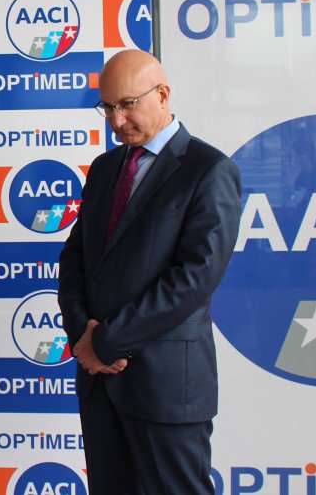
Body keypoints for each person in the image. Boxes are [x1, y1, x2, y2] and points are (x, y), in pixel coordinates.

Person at [57, 49, 241, 494]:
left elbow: (195, 277)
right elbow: (77, 259)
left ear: (162, 95)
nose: (117, 121)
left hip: (166, 386)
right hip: (100, 382)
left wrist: (107, 342)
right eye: (107, 107)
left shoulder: (209, 169)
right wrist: (83, 334)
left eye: (127, 104)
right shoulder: (105, 169)